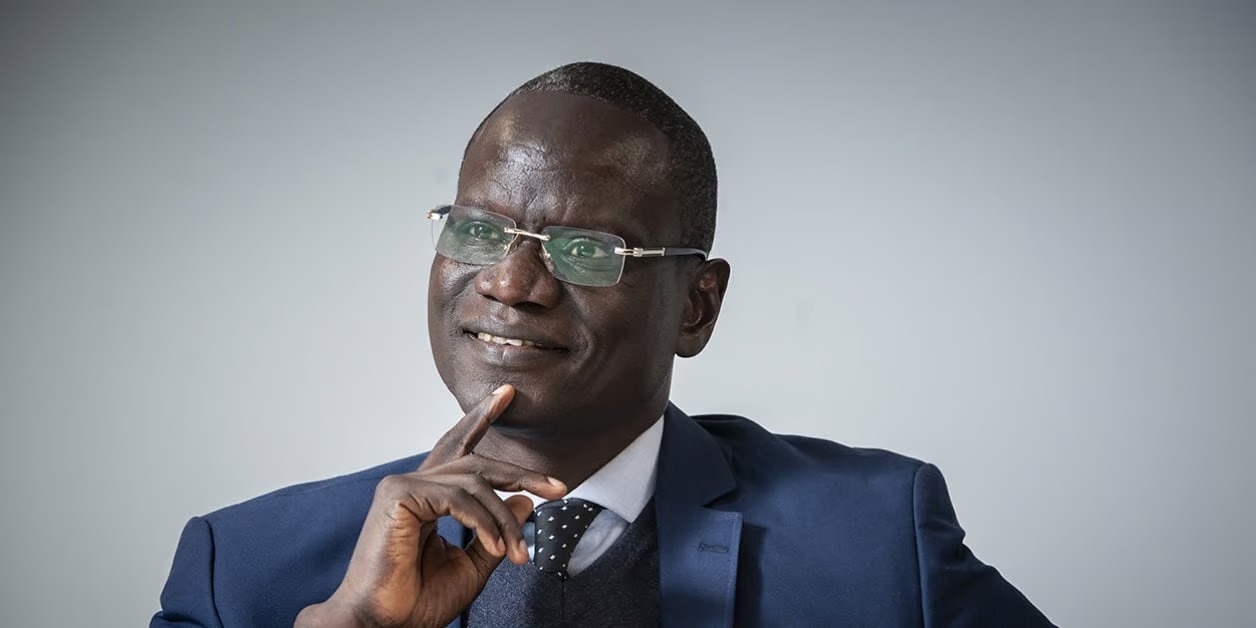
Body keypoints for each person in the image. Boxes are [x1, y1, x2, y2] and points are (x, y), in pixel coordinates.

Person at [151, 62, 1054, 628]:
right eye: (478, 231)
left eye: (586, 250)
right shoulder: (246, 571)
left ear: (696, 306)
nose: (511, 283)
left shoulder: (877, 542)